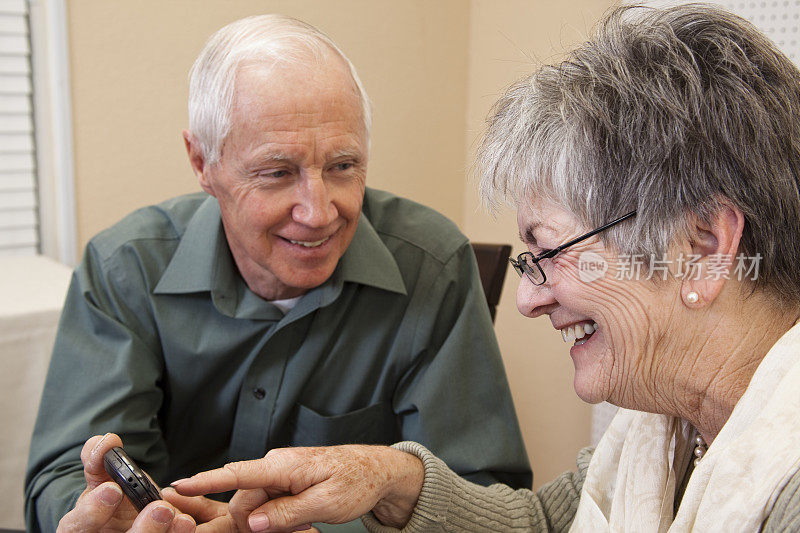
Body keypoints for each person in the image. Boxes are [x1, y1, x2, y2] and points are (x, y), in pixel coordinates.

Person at [170, 4, 800, 532]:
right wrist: (392, 481)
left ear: (707, 245)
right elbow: (546, 524)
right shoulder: (664, 429)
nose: (527, 300)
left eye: (549, 252)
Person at [24, 14, 531, 533]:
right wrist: (106, 515)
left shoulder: (432, 266)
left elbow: (483, 495)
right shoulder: (124, 270)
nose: (318, 212)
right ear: (202, 162)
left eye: (342, 166)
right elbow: (65, 478)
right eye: (277, 173)